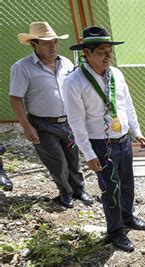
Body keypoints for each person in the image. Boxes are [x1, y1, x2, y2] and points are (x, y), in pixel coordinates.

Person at [63, 26, 145, 252]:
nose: (107, 55)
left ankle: (128, 216)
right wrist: (89, 154)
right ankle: (115, 231)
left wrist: (136, 131)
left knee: (127, 183)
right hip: (100, 144)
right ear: (87, 54)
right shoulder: (74, 82)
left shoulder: (116, 74)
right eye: (101, 51)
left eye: (109, 50)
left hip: (122, 139)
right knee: (110, 189)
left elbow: (126, 104)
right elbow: (76, 122)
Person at [9, 22, 91, 208]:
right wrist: (26, 126)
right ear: (34, 44)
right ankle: (65, 192)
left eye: (54, 42)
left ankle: (79, 190)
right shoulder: (22, 68)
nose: (52, 46)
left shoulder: (66, 63)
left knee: (73, 158)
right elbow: (15, 99)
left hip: (68, 122)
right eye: (46, 43)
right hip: (42, 124)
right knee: (57, 161)